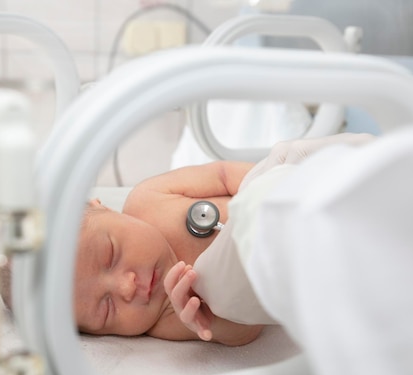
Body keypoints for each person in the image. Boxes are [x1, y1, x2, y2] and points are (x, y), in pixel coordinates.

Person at [73, 133, 374, 346]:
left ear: (104, 207)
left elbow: (222, 174)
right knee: (222, 291)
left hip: (286, 196)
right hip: (302, 274)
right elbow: (247, 327)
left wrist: (261, 182)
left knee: (312, 164)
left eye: (110, 254)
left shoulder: (147, 199)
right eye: (107, 309)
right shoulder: (167, 316)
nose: (127, 287)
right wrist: (213, 324)